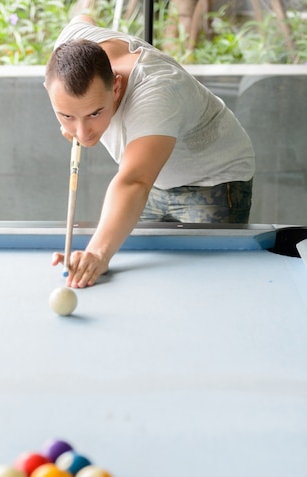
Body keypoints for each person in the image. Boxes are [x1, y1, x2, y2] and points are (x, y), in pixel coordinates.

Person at [44, 14, 255, 288]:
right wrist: (74, 117)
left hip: (213, 179)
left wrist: (96, 253)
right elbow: (82, 17)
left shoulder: (156, 91)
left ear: (116, 87)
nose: (83, 134)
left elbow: (135, 181)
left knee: (208, 284)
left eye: (95, 113)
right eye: (67, 115)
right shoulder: (69, 49)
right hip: (153, 177)